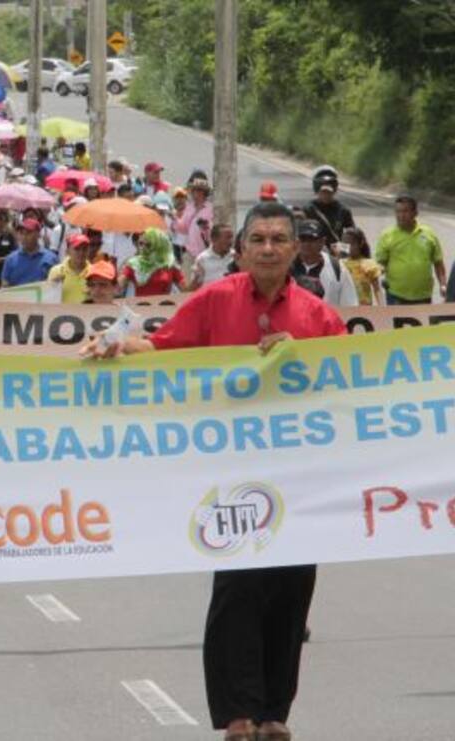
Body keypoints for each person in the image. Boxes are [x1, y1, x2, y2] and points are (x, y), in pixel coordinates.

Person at [82, 200, 346, 741]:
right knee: (238, 589)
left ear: (295, 249)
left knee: (291, 592)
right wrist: (114, 348)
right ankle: (237, 714)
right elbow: (161, 348)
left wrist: (304, 361)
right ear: (241, 249)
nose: (269, 249)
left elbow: (350, 384)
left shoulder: (320, 319)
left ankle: (275, 714)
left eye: (279, 240)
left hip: (300, 477)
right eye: (259, 240)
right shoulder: (214, 301)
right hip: (229, 473)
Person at [375, 195, 445, 305]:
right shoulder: (387, 235)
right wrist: (377, 270)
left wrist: (443, 285)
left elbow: (438, 262)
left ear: (415, 213)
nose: (401, 216)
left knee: (424, 323)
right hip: (396, 294)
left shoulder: (428, 234)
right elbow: (381, 262)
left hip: (423, 295)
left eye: (405, 211)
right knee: (396, 322)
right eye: (398, 211)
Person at [290, 219, 358, 307]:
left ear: (322, 241)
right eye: (303, 239)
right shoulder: (284, 267)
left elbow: (350, 305)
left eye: (312, 239)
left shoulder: (338, 269)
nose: (306, 244)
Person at [119, 228, 185, 297]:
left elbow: (186, 290)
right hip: (140, 306)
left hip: (164, 306)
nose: (143, 248)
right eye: (141, 244)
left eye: (148, 245)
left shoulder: (170, 263)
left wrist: (196, 277)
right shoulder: (134, 264)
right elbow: (117, 288)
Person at [301, 166, 354, 246]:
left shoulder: (343, 210)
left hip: (336, 251)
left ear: (334, 191)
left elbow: (351, 234)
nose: (326, 195)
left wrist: (342, 250)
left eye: (329, 192)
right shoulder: (308, 210)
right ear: (317, 190)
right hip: (314, 251)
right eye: (323, 192)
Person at [0, 218, 58, 287]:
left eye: (28, 233)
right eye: (21, 233)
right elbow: (5, 285)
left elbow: (56, 286)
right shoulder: (10, 259)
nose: (24, 237)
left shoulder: (51, 258)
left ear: (38, 235)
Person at [47, 233, 92, 304]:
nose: (81, 252)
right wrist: (54, 287)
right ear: (67, 251)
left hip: (88, 314)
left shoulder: (94, 272)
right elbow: (48, 298)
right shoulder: (56, 271)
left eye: (85, 249)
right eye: (77, 249)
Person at [189, 224, 236, 290]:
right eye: (227, 237)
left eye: (231, 237)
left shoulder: (236, 257)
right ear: (214, 239)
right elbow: (193, 288)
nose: (231, 241)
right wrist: (197, 277)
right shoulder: (202, 259)